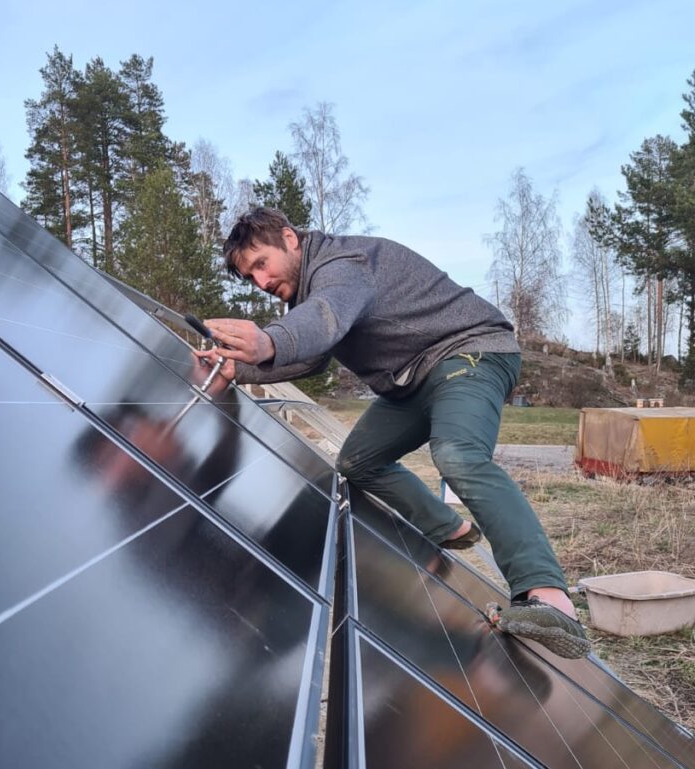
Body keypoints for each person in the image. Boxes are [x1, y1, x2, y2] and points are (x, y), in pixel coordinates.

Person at [196, 207, 590, 659]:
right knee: (357, 461)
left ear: (289, 238)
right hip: (413, 379)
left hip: (469, 351)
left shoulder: (343, 263)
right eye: (250, 277)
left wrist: (268, 339)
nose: (261, 282)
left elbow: (327, 314)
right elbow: (312, 355)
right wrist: (236, 368)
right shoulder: (308, 293)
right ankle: (449, 527)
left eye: (261, 264)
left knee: (457, 453)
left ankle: (550, 598)